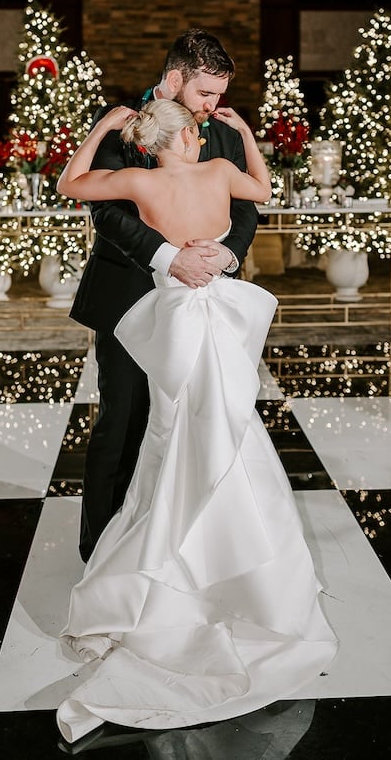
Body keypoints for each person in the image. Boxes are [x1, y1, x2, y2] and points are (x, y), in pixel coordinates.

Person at [54, 99, 338, 744]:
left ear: (151, 145)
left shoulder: (142, 180)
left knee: (172, 428)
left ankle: (171, 552)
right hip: (223, 309)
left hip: (177, 313)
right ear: (188, 135)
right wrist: (245, 135)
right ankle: (232, 551)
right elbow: (264, 190)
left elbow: (70, 184)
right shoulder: (218, 170)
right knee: (230, 421)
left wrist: (100, 129)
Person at [69, 28, 260, 563]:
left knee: (202, 422)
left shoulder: (218, 131)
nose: (212, 107)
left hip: (204, 300)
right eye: (204, 93)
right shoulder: (126, 124)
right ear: (175, 79)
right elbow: (105, 209)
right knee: (124, 418)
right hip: (131, 293)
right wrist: (165, 257)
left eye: (219, 95)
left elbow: (246, 206)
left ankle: (184, 550)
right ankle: (103, 553)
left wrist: (228, 254)